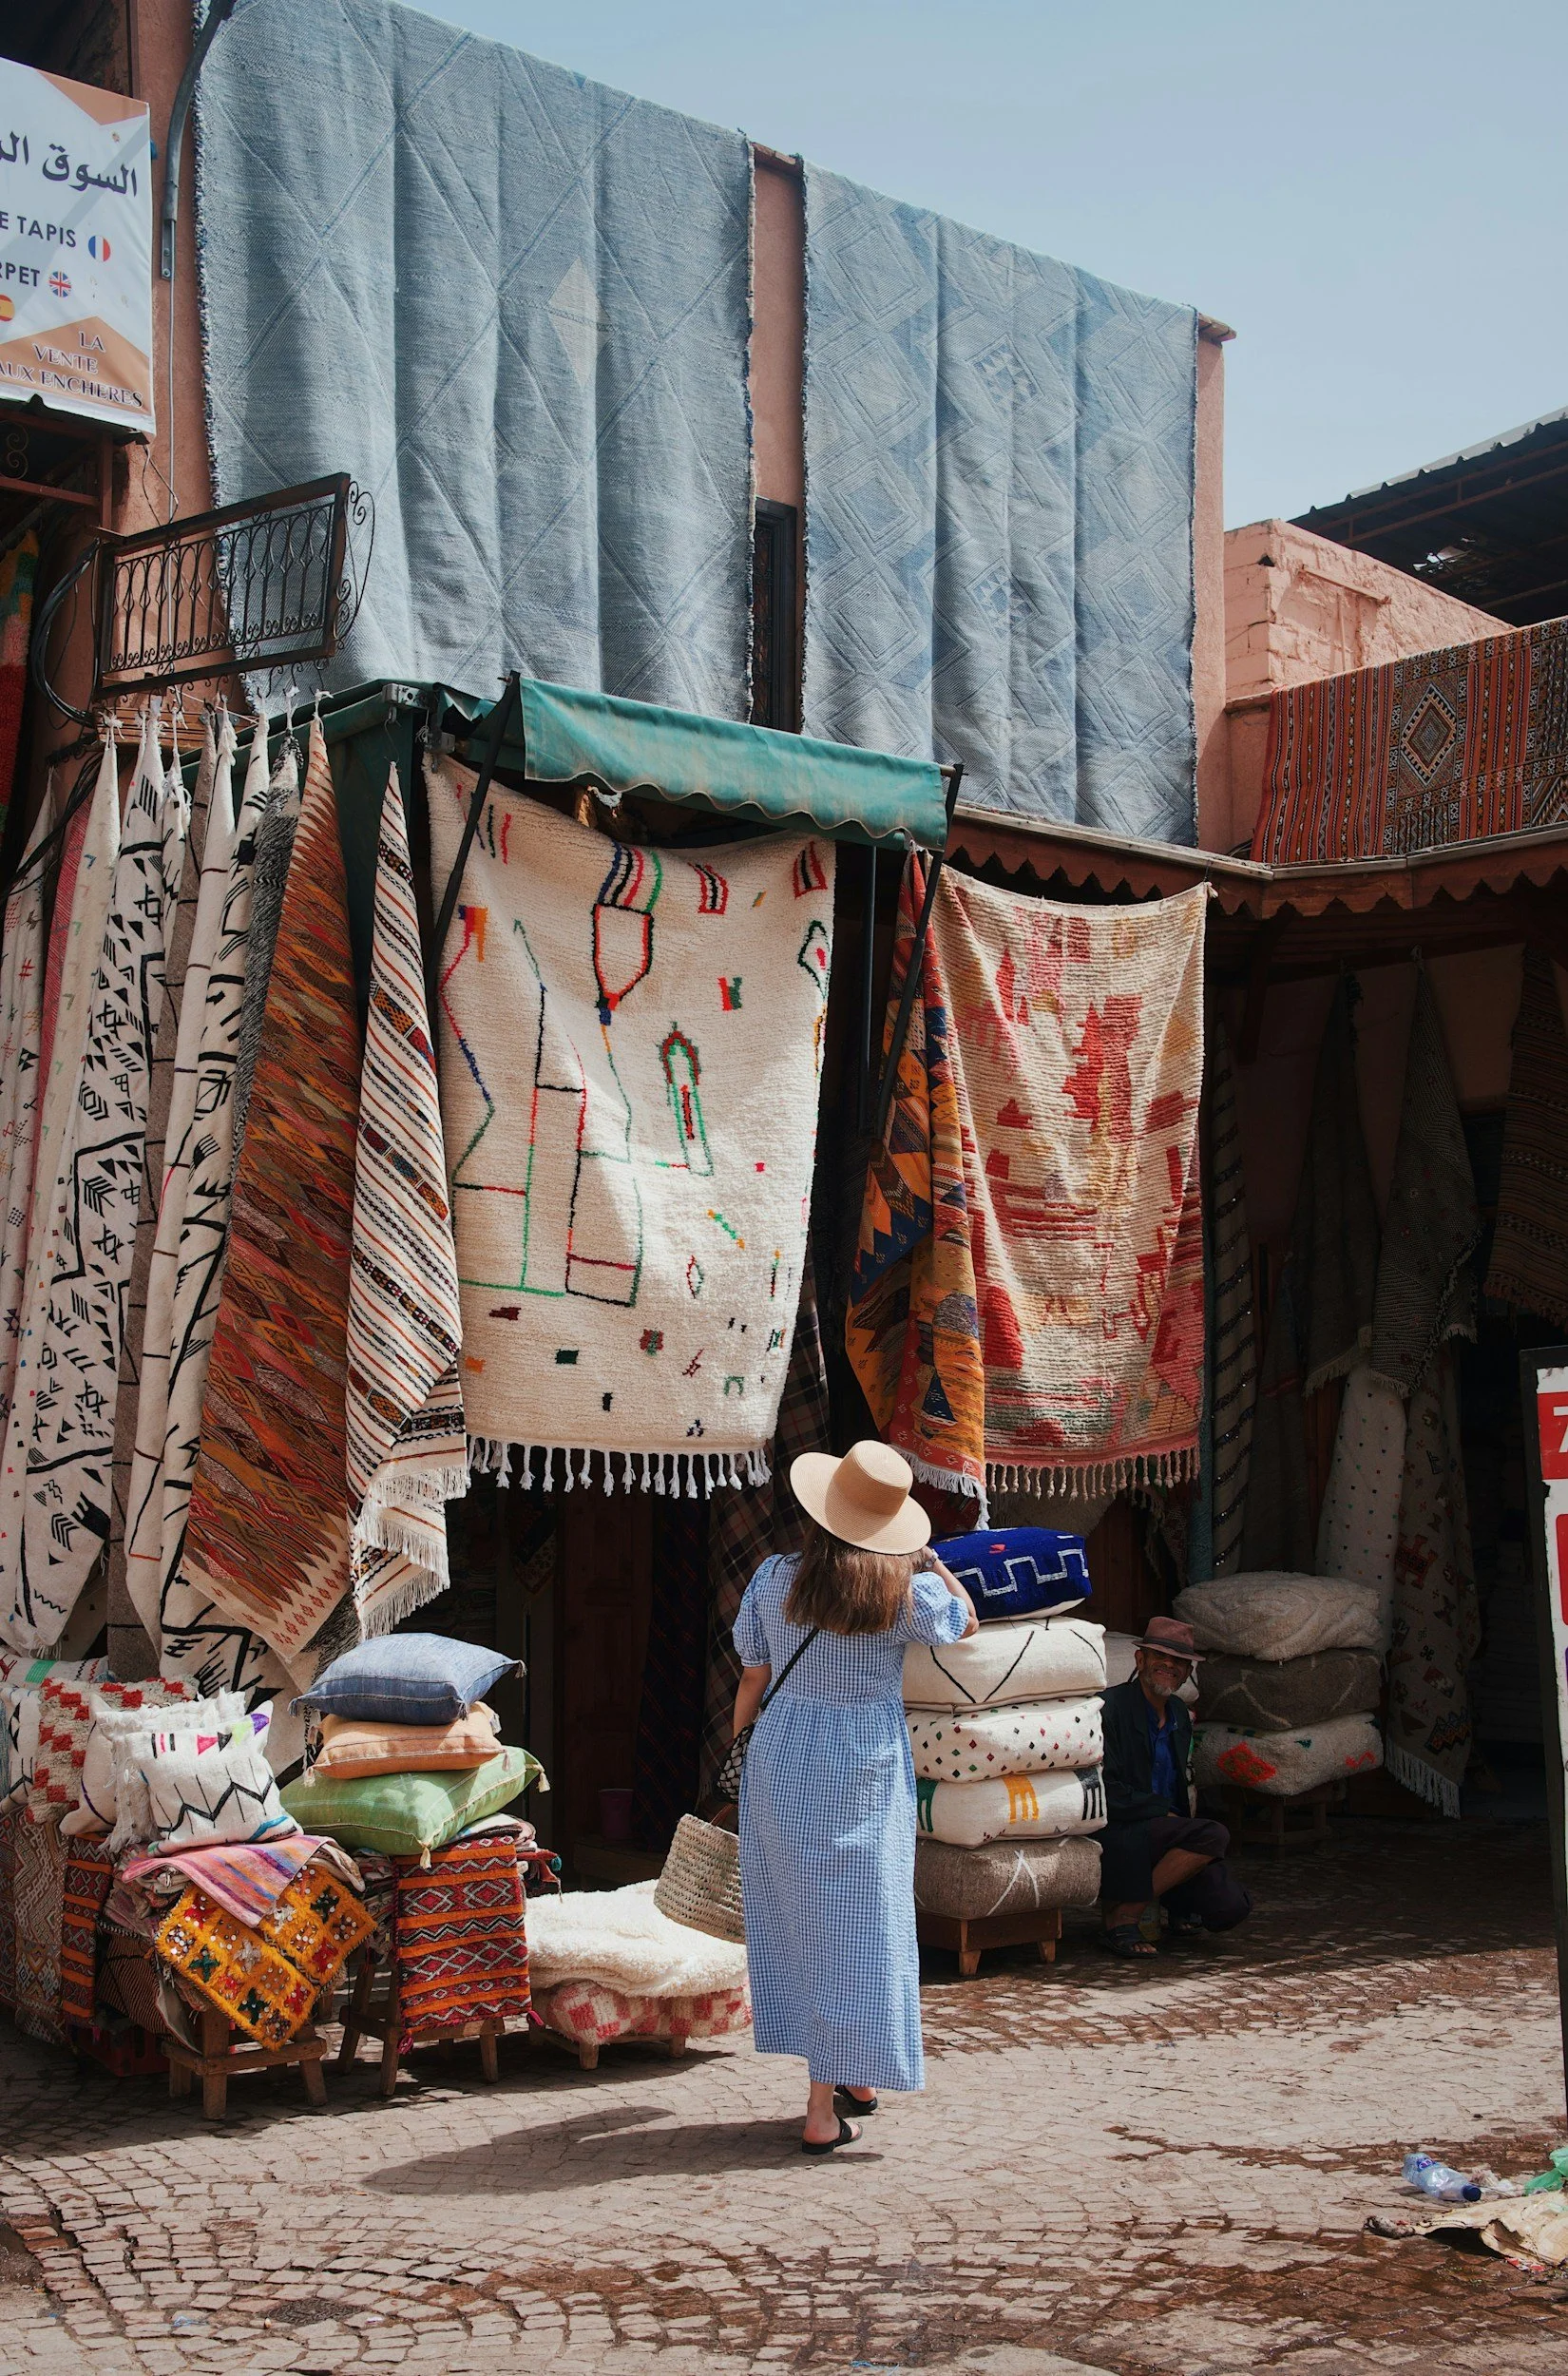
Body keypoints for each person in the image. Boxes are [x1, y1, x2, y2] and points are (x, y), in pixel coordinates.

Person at [731, 1439, 978, 2156]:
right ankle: (820, 2107)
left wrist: (741, 1756)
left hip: (782, 1754)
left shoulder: (774, 1577)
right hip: (861, 1765)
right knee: (862, 1920)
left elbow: (752, 1676)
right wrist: (934, 1565)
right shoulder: (900, 1592)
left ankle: (854, 2077)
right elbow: (965, 1623)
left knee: (799, 1918)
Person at [1099, 1614, 1252, 1958]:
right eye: (1160, 1658)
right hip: (1126, 1827)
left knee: (1232, 1908)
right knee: (1214, 1835)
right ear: (1140, 1660)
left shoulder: (1180, 1714)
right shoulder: (1111, 1708)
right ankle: (1125, 1915)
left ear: (1186, 1673)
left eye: (1179, 1662)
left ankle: (1165, 1897)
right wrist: (1159, 1811)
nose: (1169, 1666)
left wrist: (1176, 1820)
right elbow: (1105, 1788)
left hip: (1168, 1829)